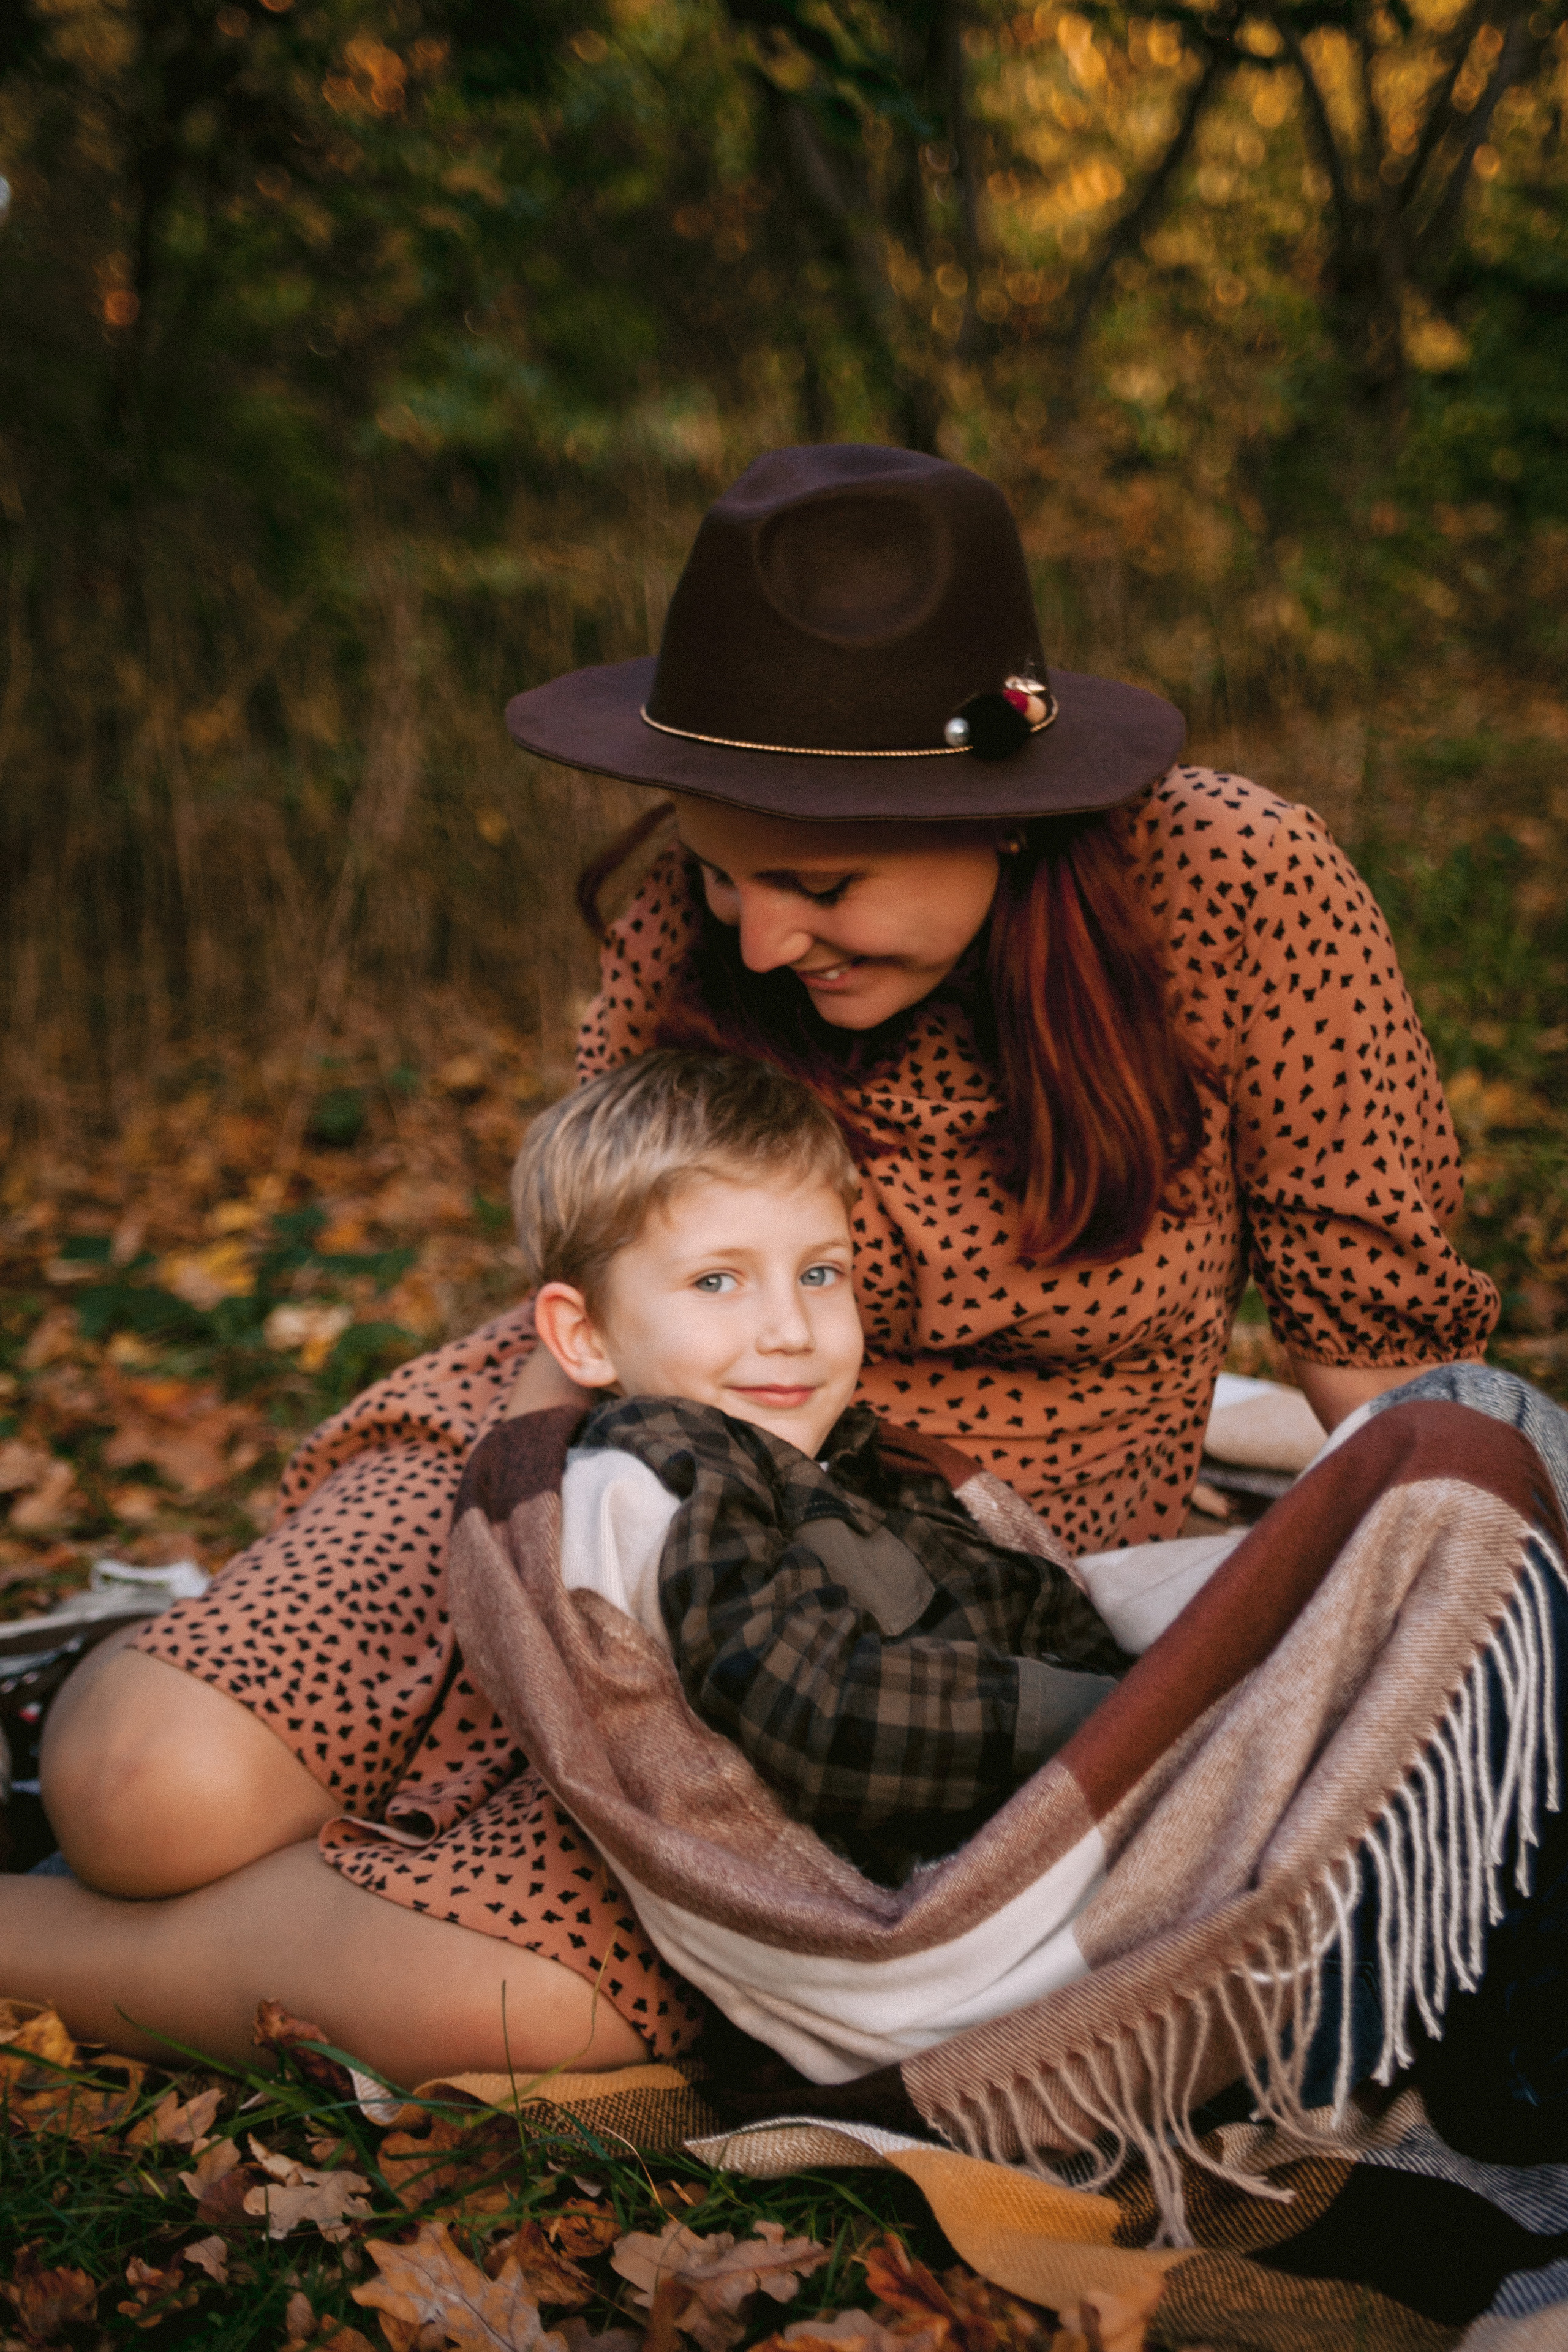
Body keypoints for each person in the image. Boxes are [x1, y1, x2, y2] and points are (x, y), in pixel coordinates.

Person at [18, 440, 1496, 2089]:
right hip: (605, 1421)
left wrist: (1441, 1648)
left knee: (523, 2009)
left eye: (814, 884)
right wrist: (546, 1579)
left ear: (1006, 817)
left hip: (931, 1571)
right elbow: (607, 1254)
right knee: (143, 1791)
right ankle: (178, 1774)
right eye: (719, 874)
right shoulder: (704, 929)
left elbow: (1382, 1360)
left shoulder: (1240, 890)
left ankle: (81, 1931)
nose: (758, 940)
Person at [513, 1050, 1126, 1883]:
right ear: (584, 1337)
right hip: (947, 1875)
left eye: (820, 1273)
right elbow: (821, 1713)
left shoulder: (832, 1457)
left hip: (1080, 1779)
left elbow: (1017, 1592)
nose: (792, 1328)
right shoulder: (669, 1478)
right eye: (718, 1280)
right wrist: (1110, 1715)